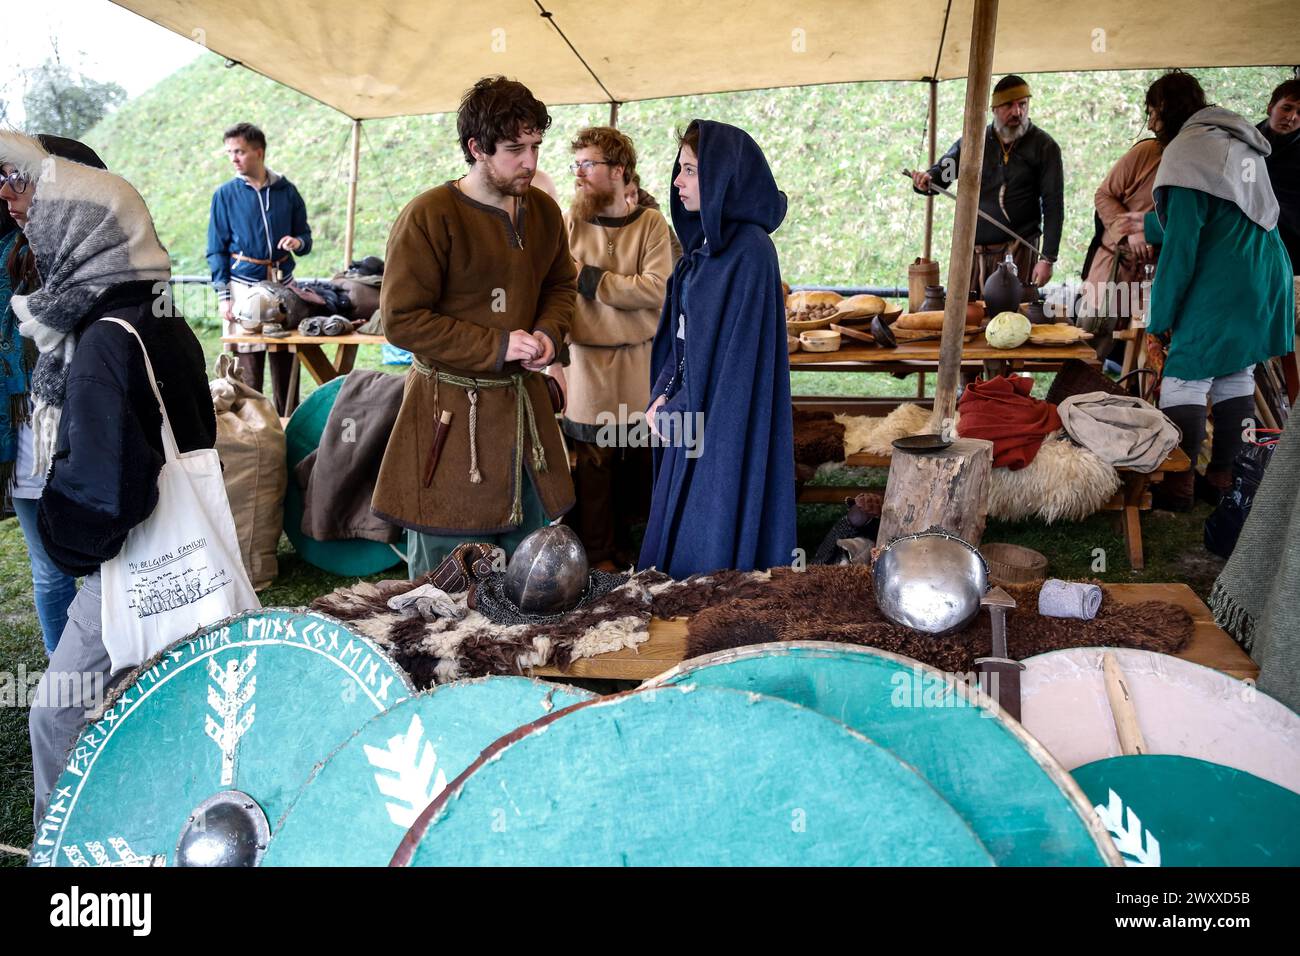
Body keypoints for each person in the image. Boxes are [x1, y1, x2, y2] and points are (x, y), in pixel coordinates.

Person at [0, 131, 216, 826]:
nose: (13, 205)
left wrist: (66, 538)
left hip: (129, 566)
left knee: (56, 716)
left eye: (34, 201)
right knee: (159, 697)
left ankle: (71, 845)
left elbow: (106, 500)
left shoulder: (102, 338)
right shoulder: (158, 311)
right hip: (183, 553)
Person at [372, 76, 577, 579]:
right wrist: (498, 344)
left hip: (523, 416)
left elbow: (561, 287)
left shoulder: (545, 213)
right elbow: (402, 320)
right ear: (476, 148)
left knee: (528, 578)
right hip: (449, 419)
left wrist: (549, 333)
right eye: (514, 149)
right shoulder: (430, 216)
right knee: (446, 592)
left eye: (535, 146)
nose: (530, 161)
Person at [637, 120, 795, 578]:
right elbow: (684, 338)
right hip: (688, 415)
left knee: (710, 534)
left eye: (690, 170)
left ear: (723, 176)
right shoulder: (704, 249)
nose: (677, 181)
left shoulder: (750, 253)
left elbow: (733, 364)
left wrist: (679, 407)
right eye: (680, 169)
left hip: (723, 423)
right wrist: (662, 395)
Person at [1123, 92, 1293, 509]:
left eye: (1152, 113)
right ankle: (1225, 480)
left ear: (1166, 111)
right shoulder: (1235, 141)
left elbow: (1183, 246)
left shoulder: (1187, 151)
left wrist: (1159, 318)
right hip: (1266, 271)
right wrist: (1149, 224)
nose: (1149, 124)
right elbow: (1223, 215)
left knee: (1184, 374)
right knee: (1235, 373)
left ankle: (1176, 488)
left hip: (1228, 279)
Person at [1, 136, 106, 656]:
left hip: (87, 433)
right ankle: (65, 682)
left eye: (20, 180)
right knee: (47, 569)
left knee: (113, 568)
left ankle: (120, 677)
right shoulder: (9, 254)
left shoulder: (104, 258)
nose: (9, 194)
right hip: (25, 431)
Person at [561, 127, 673, 570]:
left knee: (640, 460)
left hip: (640, 360)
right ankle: (599, 555)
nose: (579, 174)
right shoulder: (569, 223)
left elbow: (656, 289)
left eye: (589, 164)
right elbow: (557, 289)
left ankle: (644, 550)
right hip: (587, 361)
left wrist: (588, 279)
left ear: (618, 170)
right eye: (578, 165)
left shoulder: (651, 224)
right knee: (593, 464)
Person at [1082, 72, 1206, 361]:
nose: (1150, 123)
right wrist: (1133, 231)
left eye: (1154, 113)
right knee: (1089, 349)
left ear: (1172, 112)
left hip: (1161, 274)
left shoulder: (1200, 160)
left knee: (1150, 358)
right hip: (1115, 267)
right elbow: (1104, 195)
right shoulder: (1147, 152)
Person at [911, 75, 1064, 291]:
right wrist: (926, 180)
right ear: (994, 109)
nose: (1017, 112)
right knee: (974, 320)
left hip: (1020, 253)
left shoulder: (1044, 147)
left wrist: (1048, 258)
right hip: (975, 254)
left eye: (1022, 104)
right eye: (1008, 105)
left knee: (1014, 320)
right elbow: (943, 174)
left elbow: (1053, 204)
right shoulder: (974, 142)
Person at [206, 122, 313, 412]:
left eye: (239, 151)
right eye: (230, 152)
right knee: (246, 368)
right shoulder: (225, 195)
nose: (233, 158)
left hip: (282, 286)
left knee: (286, 361)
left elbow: (306, 237)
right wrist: (224, 296)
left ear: (259, 152)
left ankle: (288, 421)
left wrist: (297, 243)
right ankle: (253, 431)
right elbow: (216, 250)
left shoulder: (286, 191)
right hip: (243, 287)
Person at [1259, 78, 1300, 275]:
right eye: (1287, 108)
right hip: (1252, 242)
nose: (1292, 117)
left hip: (1294, 245)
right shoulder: (1242, 144)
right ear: (1270, 107)